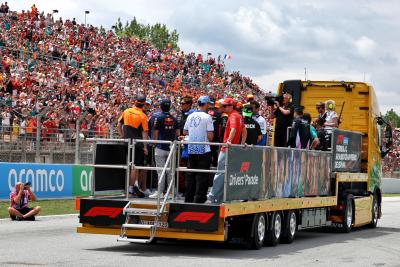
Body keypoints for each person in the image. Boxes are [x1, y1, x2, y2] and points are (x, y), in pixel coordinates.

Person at [208, 98, 247, 203]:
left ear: (231, 106)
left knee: (220, 172)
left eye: (225, 106)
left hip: (227, 149)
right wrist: (242, 142)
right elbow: (244, 130)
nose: (223, 108)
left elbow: (234, 129)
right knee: (227, 173)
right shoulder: (239, 116)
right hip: (234, 150)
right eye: (223, 106)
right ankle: (220, 197)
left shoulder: (233, 116)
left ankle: (213, 195)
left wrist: (229, 141)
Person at [183, 96, 214, 203]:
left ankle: (188, 198)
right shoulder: (208, 117)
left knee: (191, 175)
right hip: (204, 150)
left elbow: (185, 132)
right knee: (202, 175)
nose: (209, 106)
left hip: (192, 149)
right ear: (205, 104)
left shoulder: (190, 116)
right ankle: (199, 199)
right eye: (208, 104)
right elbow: (210, 137)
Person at [117, 94, 149, 198]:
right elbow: (144, 132)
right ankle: (131, 188)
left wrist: (122, 136)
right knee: (135, 167)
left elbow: (118, 124)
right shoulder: (143, 116)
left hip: (126, 142)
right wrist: (145, 146)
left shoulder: (126, 111)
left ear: (135, 101)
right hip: (137, 143)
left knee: (129, 165)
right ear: (143, 104)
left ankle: (133, 186)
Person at [149, 99, 179, 198]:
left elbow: (156, 133)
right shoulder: (174, 119)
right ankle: (170, 193)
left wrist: (154, 143)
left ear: (160, 106)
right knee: (170, 172)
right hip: (171, 147)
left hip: (160, 147)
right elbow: (178, 134)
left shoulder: (158, 117)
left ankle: (160, 192)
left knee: (160, 171)